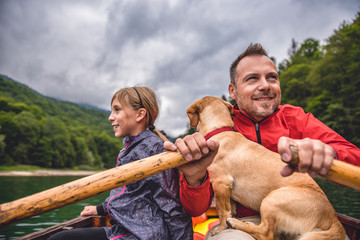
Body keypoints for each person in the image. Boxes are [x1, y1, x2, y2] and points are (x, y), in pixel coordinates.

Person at [164, 43, 360, 239]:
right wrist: (194, 178)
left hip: (303, 215)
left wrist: (331, 155)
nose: (265, 85)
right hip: (245, 222)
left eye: (272, 77)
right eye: (252, 79)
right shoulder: (214, 137)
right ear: (232, 91)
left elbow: (355, 159)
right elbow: (195, 209)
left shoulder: (297, 118)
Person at [49, 87, 193, 240]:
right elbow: (130, 193)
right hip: (124, 229)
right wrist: (101, 208)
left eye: (117, 110)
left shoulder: (154, 149)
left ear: (140, 114)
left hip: (143, 235)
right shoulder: (130, 149)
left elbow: (170, 204)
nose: (111, 117)